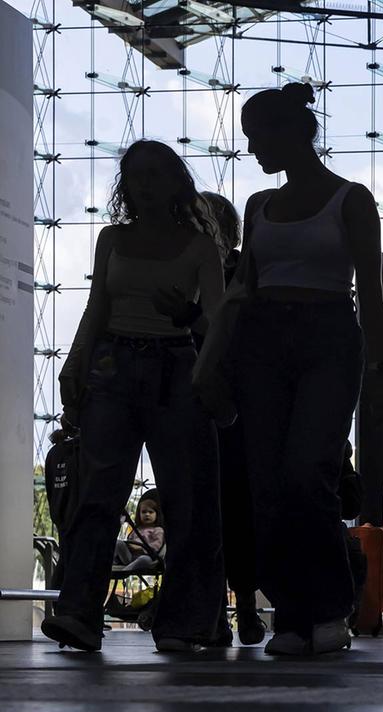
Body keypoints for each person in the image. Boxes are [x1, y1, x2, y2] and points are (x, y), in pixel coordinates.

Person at [205, 82, 383, 656]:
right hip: (264, 342)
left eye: (259, 138)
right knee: (269, 483)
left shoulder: (350, 199)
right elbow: (243, 289)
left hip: (328, 338)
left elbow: (370, 289)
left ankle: (328, 605)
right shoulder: (260, 206)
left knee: (307, 474)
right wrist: (220, 357)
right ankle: (292, 611)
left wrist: (379, 365)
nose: (255, 151)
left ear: (292, 133)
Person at [42, 140, 226, 653]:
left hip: (164, 368)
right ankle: (87, 613)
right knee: (106, 495)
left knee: (171, 499)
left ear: (173, 183)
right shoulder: (115, 240)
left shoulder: (198, 248)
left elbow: (216, 319)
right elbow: (95, 305)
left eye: (152, 174)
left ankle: (115, 613)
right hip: (127, 369)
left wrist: (185, 317)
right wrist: (75, 366)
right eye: (135, 175)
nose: (143, 185)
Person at [154, 191, 264, 646]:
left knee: (213, 511)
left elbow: (228, 337)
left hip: (217, 406)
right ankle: (236, 610)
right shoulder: (237, 272)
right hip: (227, 408)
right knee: (229, 512)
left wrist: (191, 318)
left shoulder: (220, 278)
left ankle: (216, 612)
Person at [112, 497, 165, 573]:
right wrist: (129, 545)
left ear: (157, 515)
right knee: (118, 543)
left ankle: (123, 571)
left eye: (151, 512)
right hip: (129, 557)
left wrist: (140, 548)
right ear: (139, 514)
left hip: (147, 558)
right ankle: (113, 563)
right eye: (144, 512)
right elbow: (129, 541)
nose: (147, 514)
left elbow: (156, 547)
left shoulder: (158, 530)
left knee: (144, 559)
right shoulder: (136, 529)